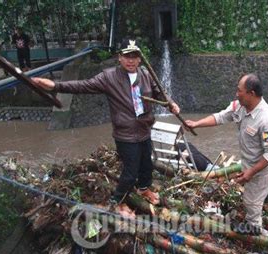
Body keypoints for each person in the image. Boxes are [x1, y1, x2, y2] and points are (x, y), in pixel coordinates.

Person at [32, 39, 180, 217]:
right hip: (125, 134)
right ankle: (116, 202)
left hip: (144, 129)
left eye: (134, 56)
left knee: (146, 165)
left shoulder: (145, 74)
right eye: (127, 56)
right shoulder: (108, 77)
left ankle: (143, 190)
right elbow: (83, 86)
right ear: (120, 58)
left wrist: (170, 103)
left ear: (140, 59)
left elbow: (159, 93)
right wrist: (56, 86)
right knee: (130, 172)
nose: (131, 60)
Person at [185, 73, 268, 234]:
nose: (237, 94)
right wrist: (196, 124)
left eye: (240, 91)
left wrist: (251, 172)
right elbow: (221, 117)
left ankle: (254, 230)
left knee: (250, 202)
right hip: (248, 161)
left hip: (262, 168)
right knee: (255, 196)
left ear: (251, 93)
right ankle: (264, 197)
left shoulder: (267, 120)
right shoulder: (240, 107)